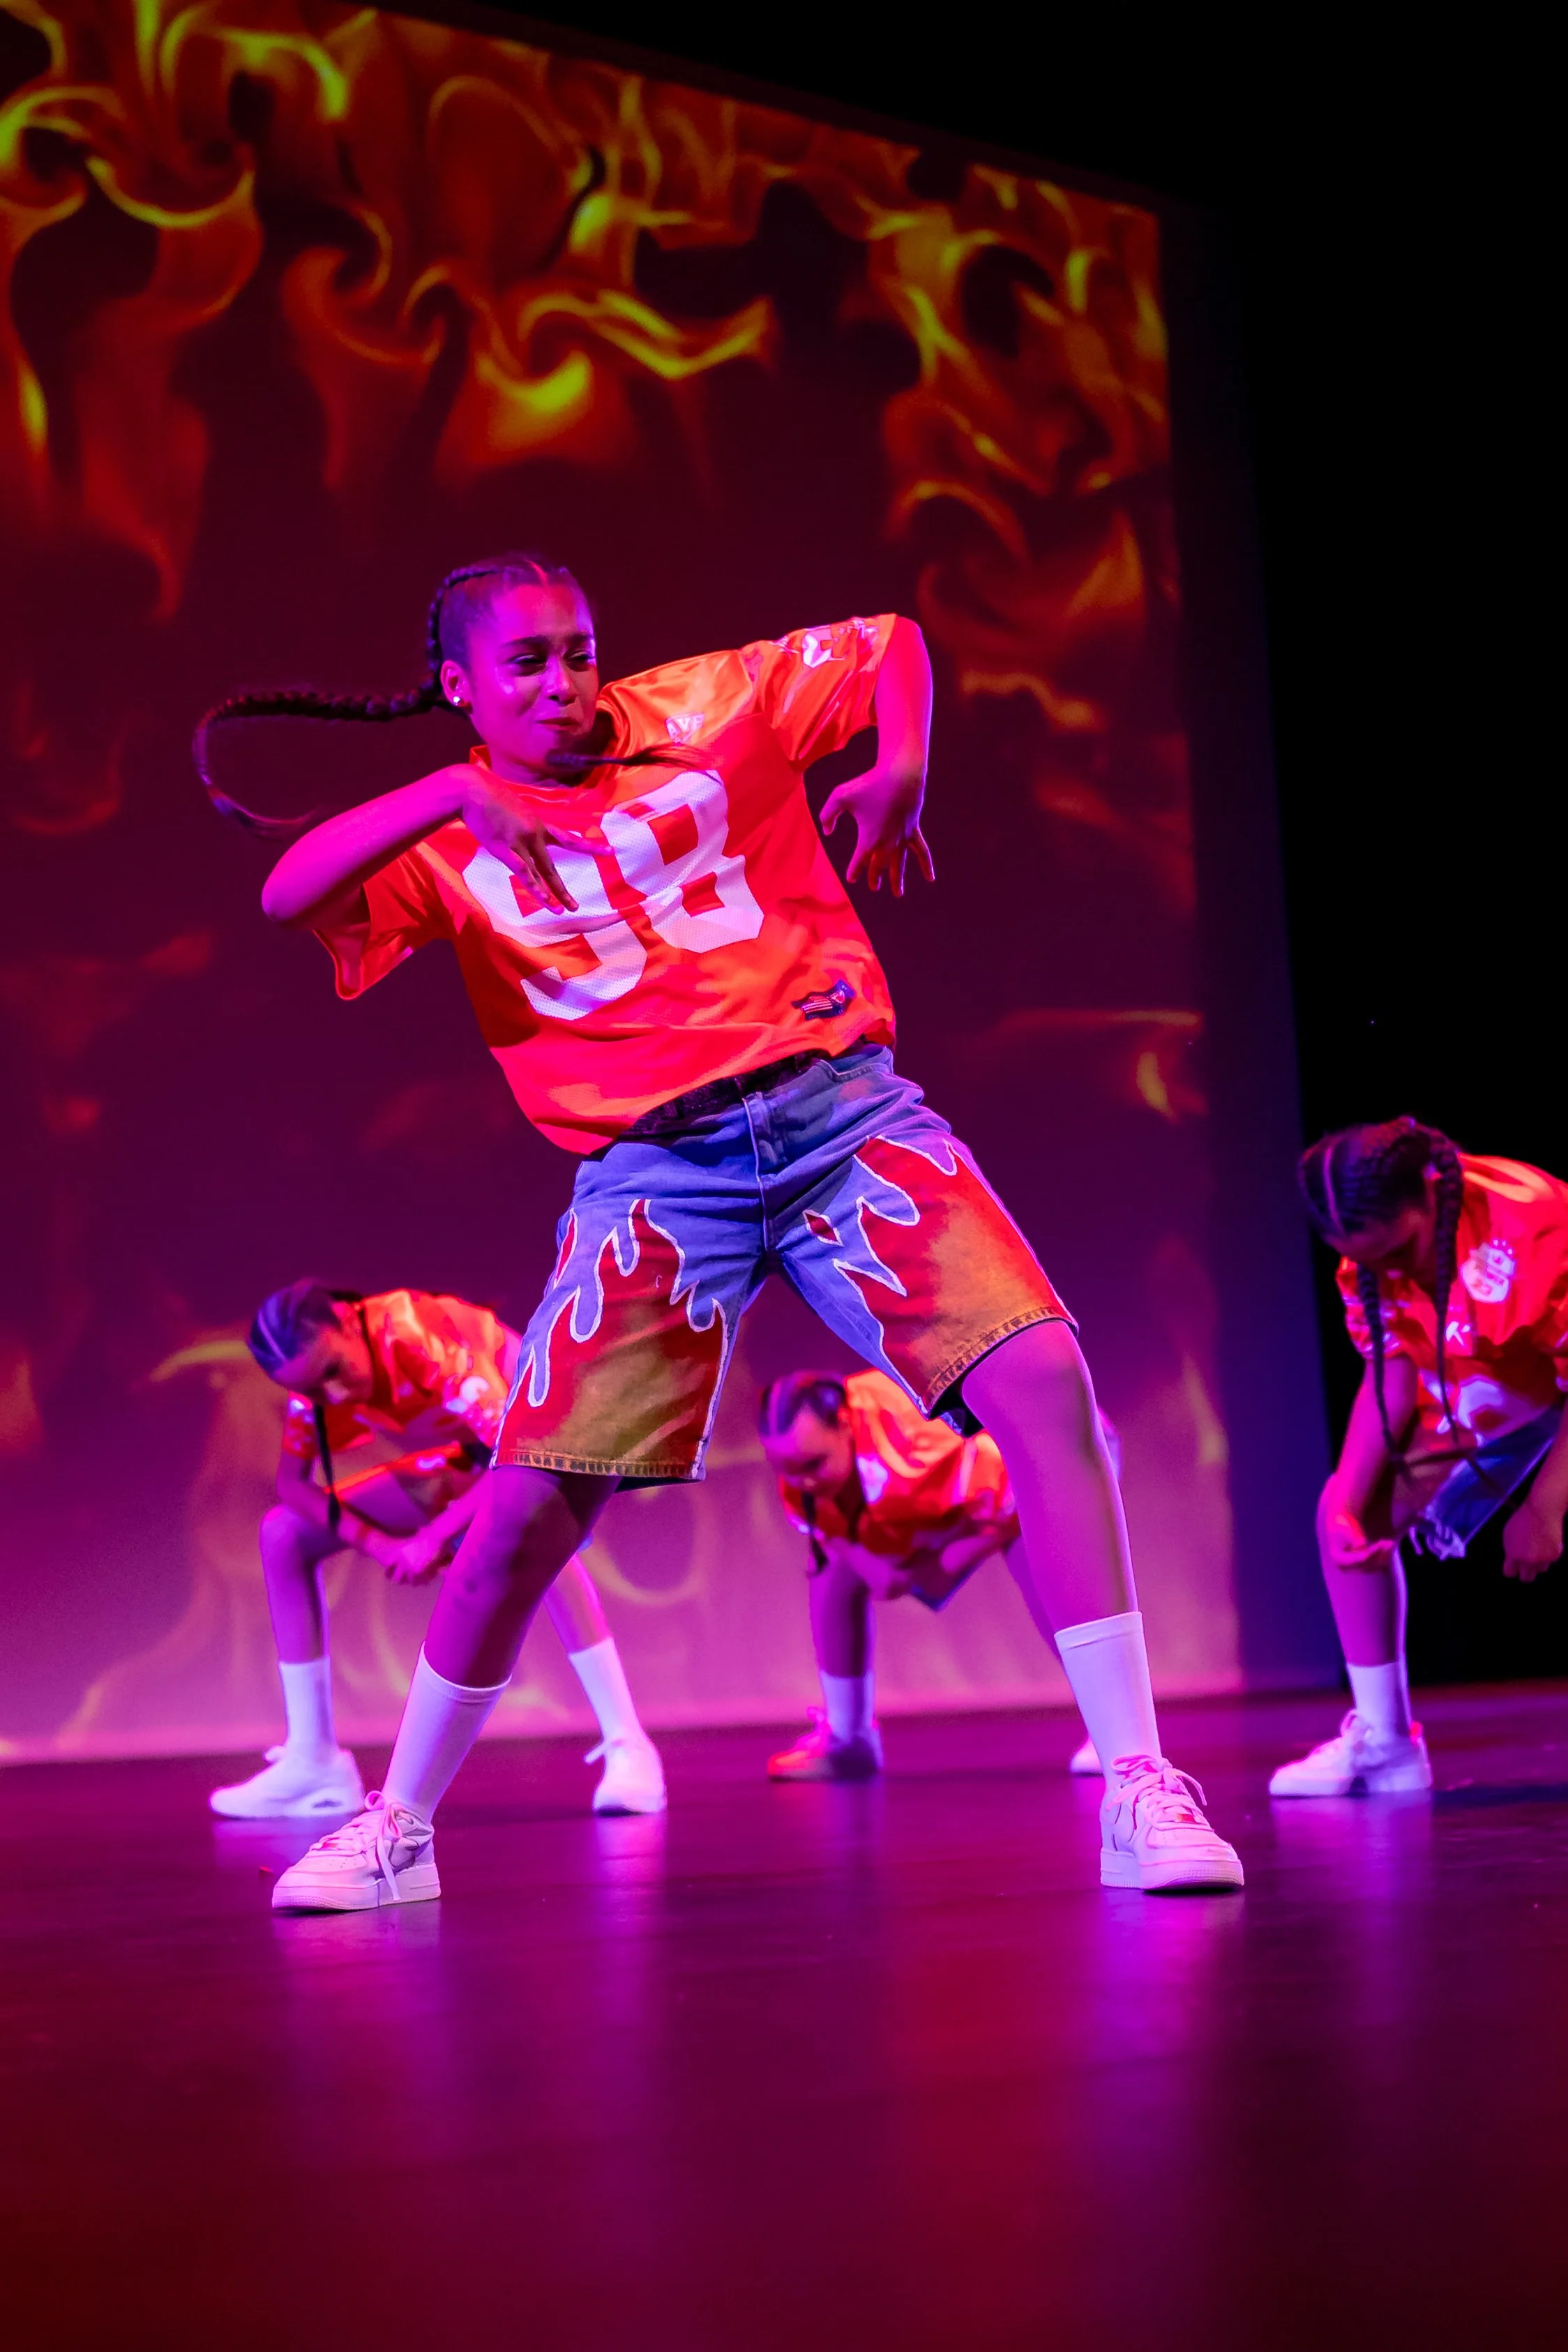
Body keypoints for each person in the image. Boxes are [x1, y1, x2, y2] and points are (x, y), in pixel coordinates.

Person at [197, 550, 1242, 1907]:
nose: (566, 682)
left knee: (1042, 1382)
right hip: (653, 1181)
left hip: (837, 1119)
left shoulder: (702, 707)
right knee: (519, 1517)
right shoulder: (447, 839)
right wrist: (454, 791)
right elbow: (288, 895)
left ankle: (1138, 1784)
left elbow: (891, 646)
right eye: (527, 663)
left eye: (577, 648)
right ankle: (397, 1824)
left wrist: (902, 764)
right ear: (458, 687)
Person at [212, 1279, 665, 1819]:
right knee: (283, 1533)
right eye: (311, 1390)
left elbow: (518, 1453)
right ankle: (313, 1760)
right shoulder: (314, 1374)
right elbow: (293, 1484)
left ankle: (628, 1743)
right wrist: (382, 1546)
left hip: (548, 1449)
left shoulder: (416, 1336)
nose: (328, 1396)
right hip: (478, 1458)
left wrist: (430, 1538)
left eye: (332, 1373)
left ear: (345, 1320)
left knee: (541, 1539)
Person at [1272, 1117, 1568, 1796]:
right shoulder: (1367, 1257)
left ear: (1432, 1192)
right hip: (1488, 1386)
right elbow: (1394, 1368)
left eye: (1399, 1249)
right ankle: (1387, 1743)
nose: (1386, 1271)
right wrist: (1348, 1506)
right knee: (1344, 1512)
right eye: (1365, 1260)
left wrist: (1545, 1507)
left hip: (1549, 1374)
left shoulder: (1532, 1227)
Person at [758, 1368, 1105, 1778]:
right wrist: (869, 1565)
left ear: (845, 1426)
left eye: (813, 1464)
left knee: (1038, 1559)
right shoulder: (807, 1477)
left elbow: (1011, 1495)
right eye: (788, 1470)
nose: (802, 1482)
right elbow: (829, 1535)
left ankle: (1112, 1734)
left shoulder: (915, 1443)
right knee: (830, 1572)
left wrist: (934, 1570)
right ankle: (849, 1739)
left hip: (1045, 1456)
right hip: (943, 1504)